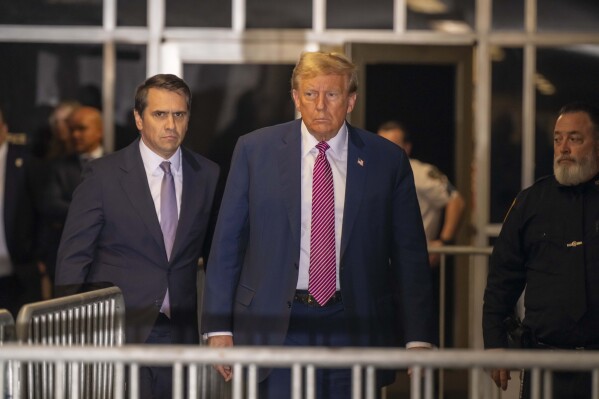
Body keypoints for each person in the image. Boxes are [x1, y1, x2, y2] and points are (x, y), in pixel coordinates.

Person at [202, 51, 436, 398]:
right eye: (310, 94)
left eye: (333, 94)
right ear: (296, 98)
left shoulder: (386, 160)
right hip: (276, 322)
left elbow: (409, 254)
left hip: (355, 324)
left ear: (351, 100)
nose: (320, 105)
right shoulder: (255, 151)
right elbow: (227, 243)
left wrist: (419, 336)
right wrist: (218, 326)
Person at [55, 74, 220, 398]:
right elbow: (74, 256)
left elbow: (218, 256)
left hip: (182, 330)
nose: (170, 124)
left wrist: (220, 325)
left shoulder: (208, 174)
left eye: (179, 114)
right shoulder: (103, 174)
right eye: (160, 114)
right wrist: (69, 330)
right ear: (138, 119)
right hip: (119, 329)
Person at [483, 102, 599, 399]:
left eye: (575, 139)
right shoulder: (531, 203)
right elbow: (501, 278)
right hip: (545, 360)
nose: (563, 148)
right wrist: (495, 342)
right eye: (558, 138)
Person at [377, 121, 465, 267]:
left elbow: (456, 201)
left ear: (407, 148)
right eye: (380, 145)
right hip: (380, 261)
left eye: (391, 145)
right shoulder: (371, 174)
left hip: (411, 260)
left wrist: (444, 242)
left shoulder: (420, 173)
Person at [41, 105, 105, 286]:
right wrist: (97, 212)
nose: (76, 135)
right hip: (68, 259)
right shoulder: (58, 167)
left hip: (107, 260)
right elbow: (51, 204)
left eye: (82, 129)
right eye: (72, 130)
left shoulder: (118, 165)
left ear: (99, 131)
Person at [0, 107, 40, 316]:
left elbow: (40, 212)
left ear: (4, 128)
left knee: (19, 338)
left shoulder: (26, 162)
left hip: (20, 270)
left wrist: (40, 257)